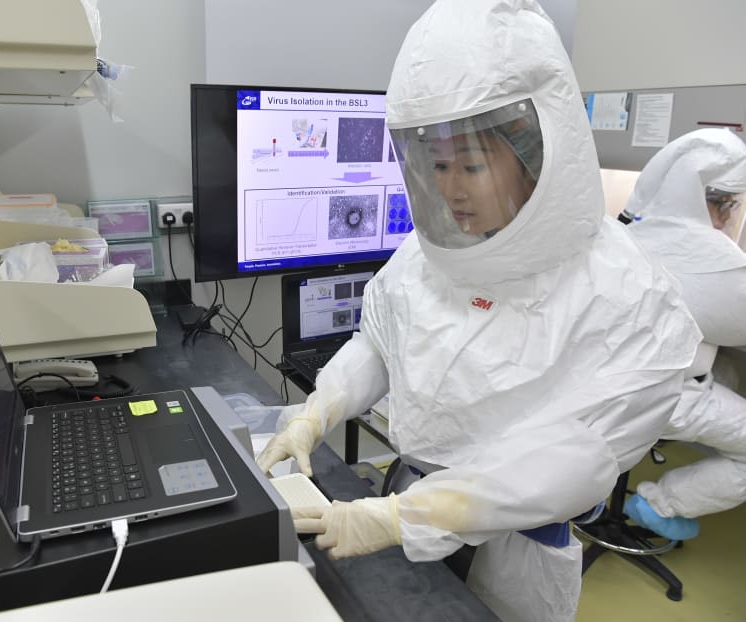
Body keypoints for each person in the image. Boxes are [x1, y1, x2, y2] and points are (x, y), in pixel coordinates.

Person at [257, 1, 701, 620]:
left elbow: (569, 460)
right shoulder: (428, 256)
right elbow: (379, 348)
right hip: (406, 504)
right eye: (436, 165)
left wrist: (402, 517)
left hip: (514, 549)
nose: (450, 189)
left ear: (536, 158)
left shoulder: (625, 293)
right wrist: (314, 414)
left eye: (470, 164)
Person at [621, 128, 746, 541]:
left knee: (727, 378)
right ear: (717, 203)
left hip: (615, 385)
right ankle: (659, 503)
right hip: (667, 396)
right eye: (729, 207)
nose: (729, 218)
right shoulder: (706, 255)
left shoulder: (631, 230)